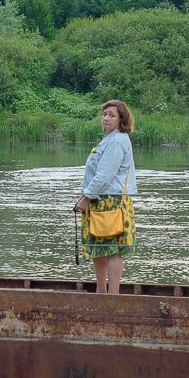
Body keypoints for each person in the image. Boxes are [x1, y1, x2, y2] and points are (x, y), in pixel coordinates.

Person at [74, 99, 135, 293]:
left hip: (112, 201)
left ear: (121, 119)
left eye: (112, 115)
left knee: (113, 249)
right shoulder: (109, 139)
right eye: (104, 114)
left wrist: (86, 197)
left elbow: (105, 175)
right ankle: (101, 292)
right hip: (101, 200)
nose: (106, 118)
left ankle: (112, 294)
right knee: (98, 247)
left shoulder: (117, 141)